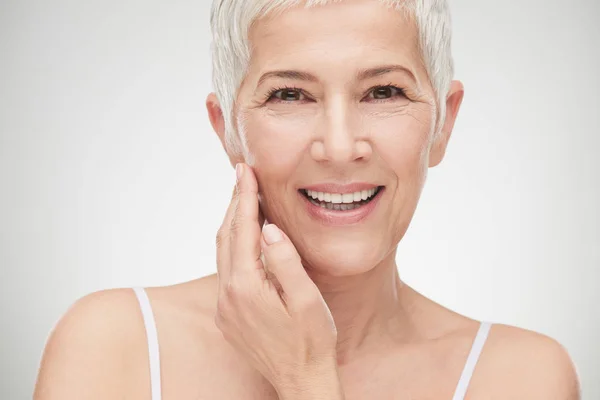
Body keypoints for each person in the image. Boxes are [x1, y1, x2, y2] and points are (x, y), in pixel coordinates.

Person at [34, 0, 581, 399]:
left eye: (384, 91)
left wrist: (307, 380)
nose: (340, 148)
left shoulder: (521, 377)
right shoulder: (112, 345)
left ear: (444, 123)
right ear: (227, 131)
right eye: (289, 94)